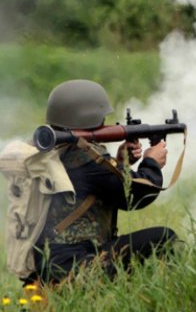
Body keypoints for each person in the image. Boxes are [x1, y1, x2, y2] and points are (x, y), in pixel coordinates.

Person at [27, 79, 177, 285]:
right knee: (164, 238)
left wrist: (122, 162)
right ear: (90, 117)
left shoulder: (50, 152)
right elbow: (136, 197)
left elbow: (102, 187)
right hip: (74, 268)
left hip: (46, 265)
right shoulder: (86, 158)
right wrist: (152, 162)